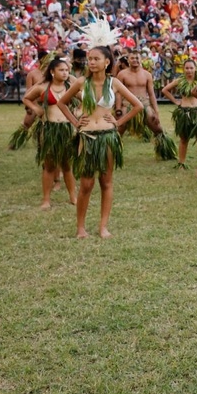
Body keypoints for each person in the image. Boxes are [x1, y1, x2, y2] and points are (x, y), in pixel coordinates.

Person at [57, 21, 144, 239]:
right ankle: (80, 228)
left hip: (107, 136)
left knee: (106, 182)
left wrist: (118, 121)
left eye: (96, 59)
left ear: (107, 62)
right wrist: (75, 122)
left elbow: (138, 105)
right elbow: (62, 103)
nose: (92, 62)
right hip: (87, 137)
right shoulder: (80, 83)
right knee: (86, 184)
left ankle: (103, 226)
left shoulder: (114, 83)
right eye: (90, 59)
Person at [22, 58, 77, 209]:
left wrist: (79, 114)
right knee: (49, 166)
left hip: (66, 129)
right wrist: (37, 109)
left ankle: (73, 196)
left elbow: (85, 100)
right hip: (49, 129)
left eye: (67, 70)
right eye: (61, 70)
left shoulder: (71, 87)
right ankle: (46, 199)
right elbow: (26, 98)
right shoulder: (43, 87)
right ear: (52, 72)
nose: (65, 73)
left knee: (67, 165)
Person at [116, 52, 177, 161]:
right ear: (128, 60)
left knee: (157, 128)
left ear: (141, 60)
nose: (135, 60)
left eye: (137, 58)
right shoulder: (122, 74)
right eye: (132, 58)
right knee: (120, 128)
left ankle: (166, 151)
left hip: (144, 104)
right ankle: (112, 153)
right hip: (128, 104)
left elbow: (151, 93)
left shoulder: (147, 74)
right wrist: (118, 109)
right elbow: (119, 93)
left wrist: (156, 111)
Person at [161, 59, 197, 169]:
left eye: (191, 68)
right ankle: (181, 162)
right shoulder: (180, 80)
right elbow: (165, 90)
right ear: (183, 69)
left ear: (195, 69)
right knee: (184, 139)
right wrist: (175, 101)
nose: (189, 70)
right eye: (187, 68)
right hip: (184, 113)